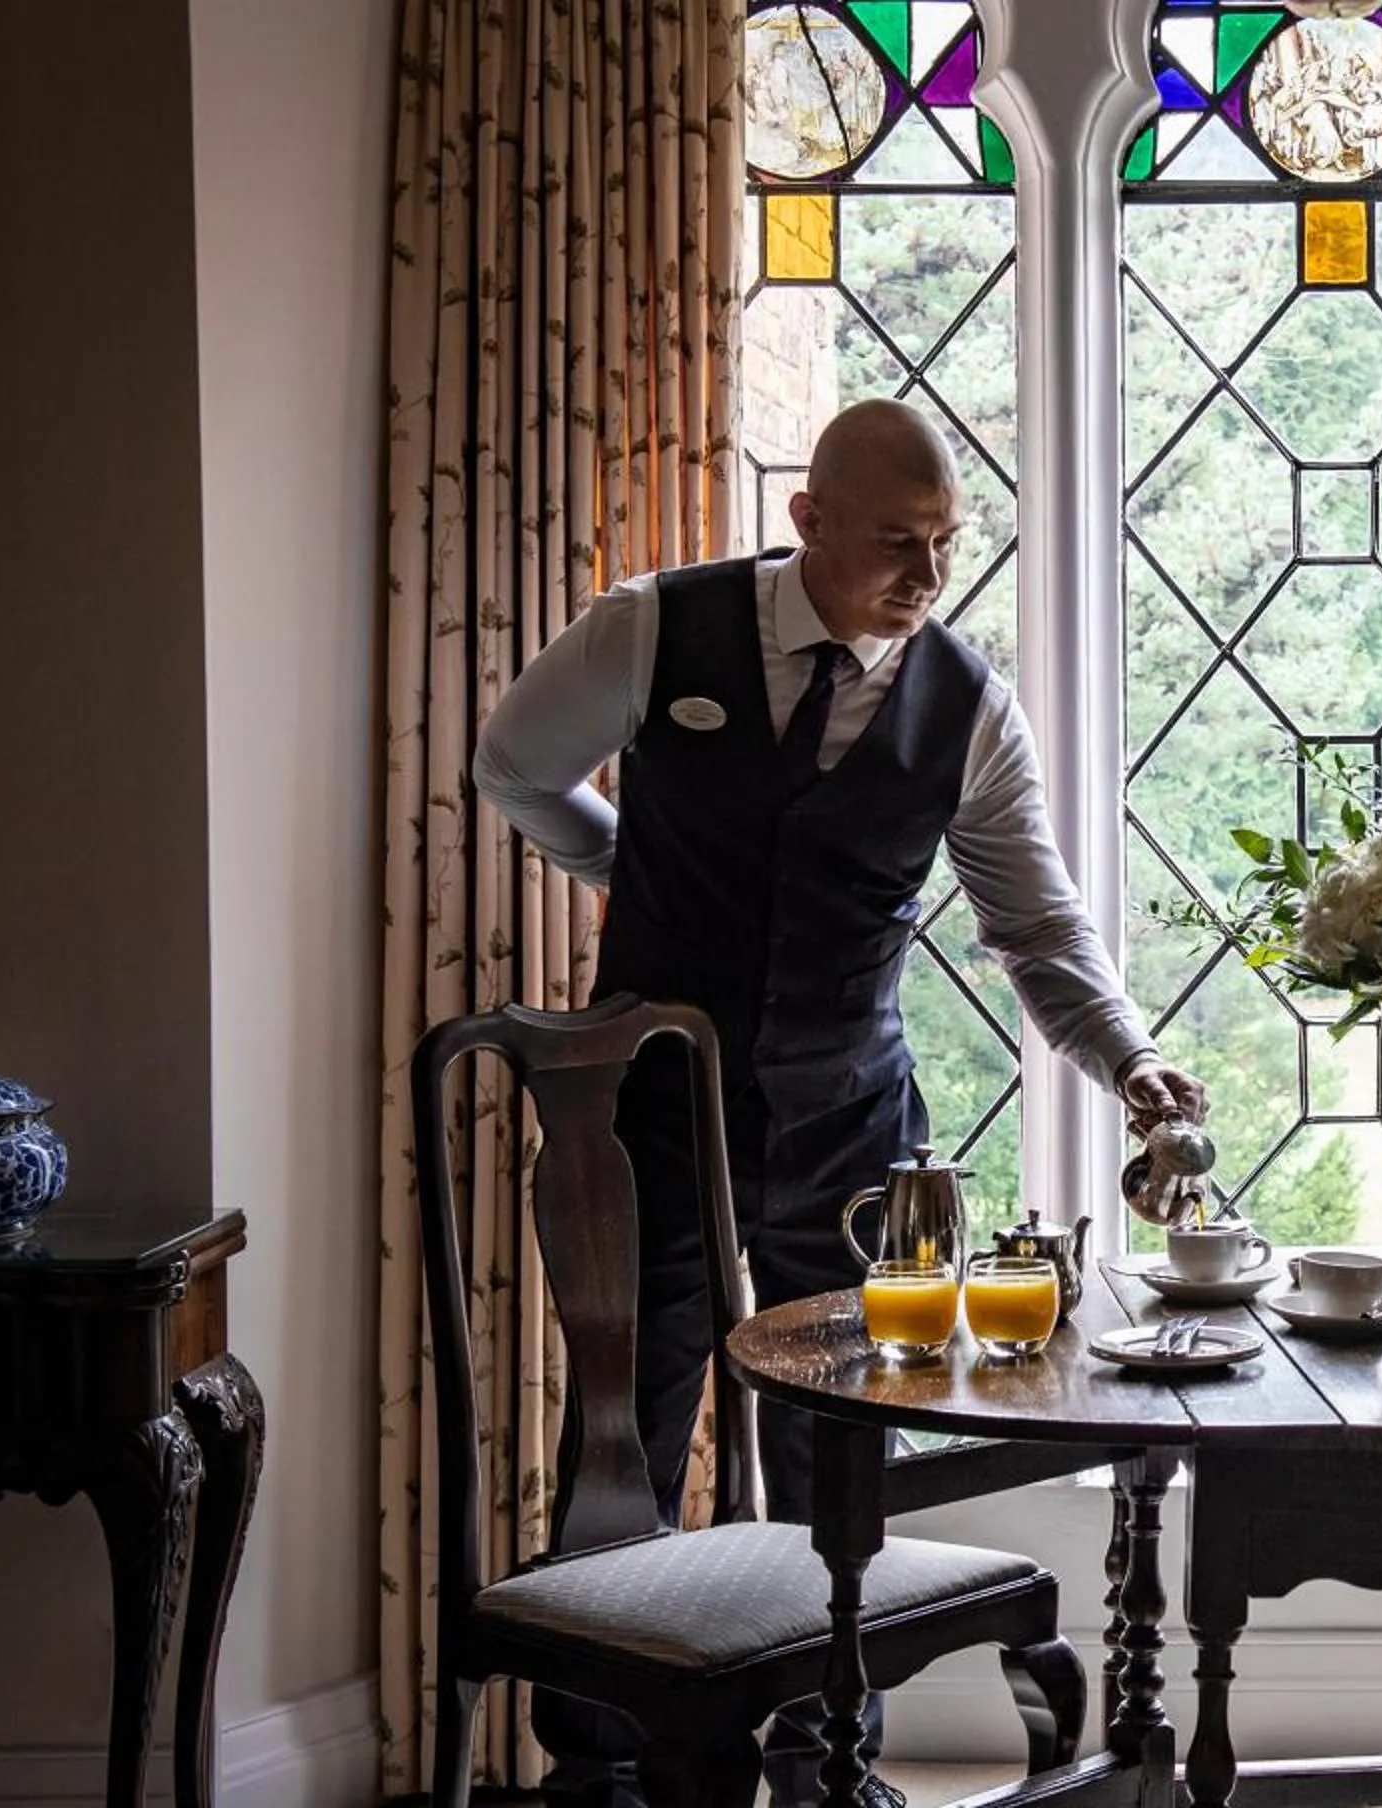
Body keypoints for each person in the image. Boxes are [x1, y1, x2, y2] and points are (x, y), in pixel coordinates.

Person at [473, 399, 1205, 1807]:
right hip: (649, 1113)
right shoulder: (651, 630)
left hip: (851, 1125)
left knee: (841, 1433)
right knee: (628, 1421)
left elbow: (1036, 933)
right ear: (806, 521)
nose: (926, 583)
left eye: (943, 549)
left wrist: (1127, 1060)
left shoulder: (970, 708)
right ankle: (602, 1768)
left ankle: (829, 1757)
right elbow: (514, 764)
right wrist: (624, 865)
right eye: (894, 545)